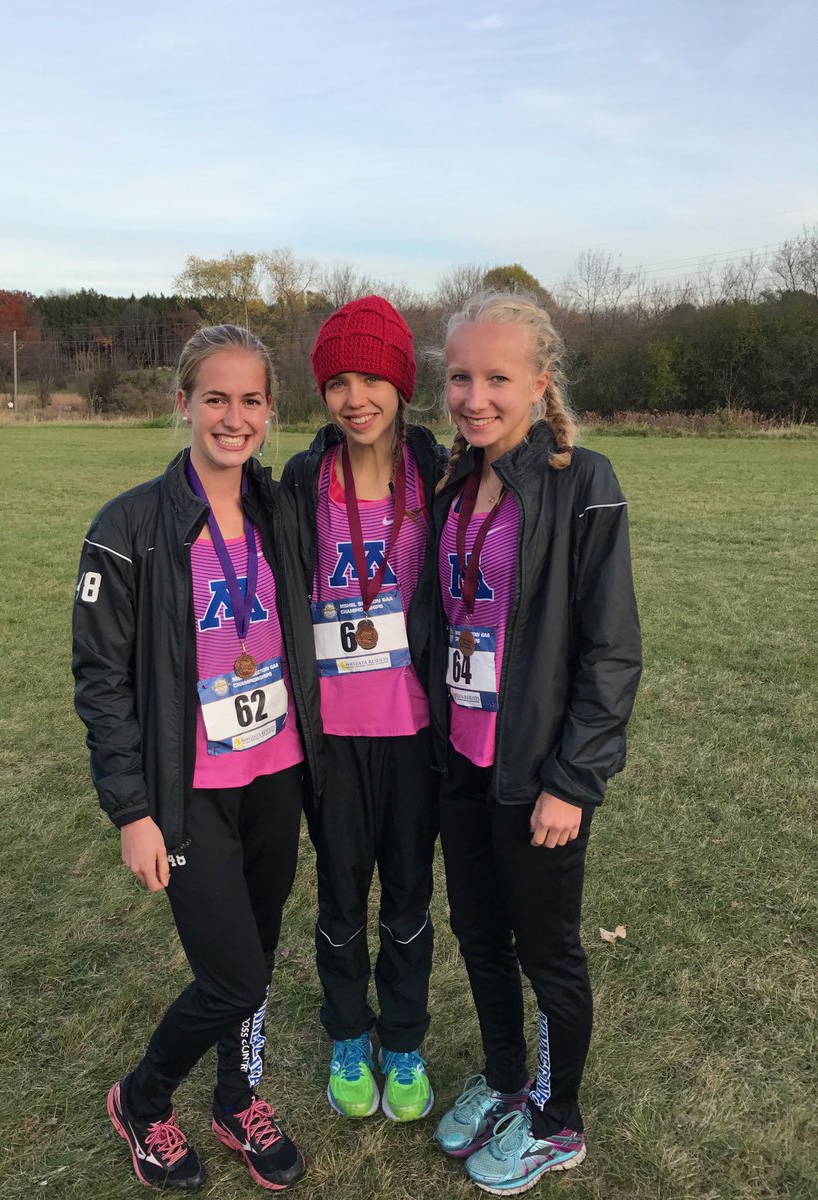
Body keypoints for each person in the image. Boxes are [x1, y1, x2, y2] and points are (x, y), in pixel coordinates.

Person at [72, 325, 323, 1192]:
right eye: (216, 397)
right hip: (190, 794)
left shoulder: (278, 508)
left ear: (269, 411)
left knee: (254, 946)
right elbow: (102, 680)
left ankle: (236, 1098)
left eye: (252, 399)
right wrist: (132, 811)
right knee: (236, 974)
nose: (234, 416)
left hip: (276, 772)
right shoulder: (129, 524)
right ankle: (142, 1100)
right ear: (182, 403)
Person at [427, 293, 642, 1193]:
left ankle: (558, 1119)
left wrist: (574, 779)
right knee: (478, 933)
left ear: (540, 383)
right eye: (460, 377)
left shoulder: (581, 480)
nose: (475, 397)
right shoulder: (450, 479)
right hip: (460, 758)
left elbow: (612, 647)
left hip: (538, 772)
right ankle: (509, 1075)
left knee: (546, 950)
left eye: (497, 378)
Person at [281, 296, 446, 1122]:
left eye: (372, 377)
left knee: (411, 895)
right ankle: (349, 1033)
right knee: (342, 894)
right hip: (334, 737)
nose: (355, 398)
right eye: (338, 381)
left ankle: (405, 1041)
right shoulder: (303, 481)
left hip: (416, 733)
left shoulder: (444, 475)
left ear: (402, 382)